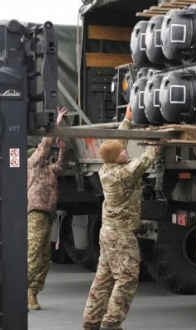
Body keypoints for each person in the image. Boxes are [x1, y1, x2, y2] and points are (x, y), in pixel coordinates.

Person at [82, 104, 159, 330]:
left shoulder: (107, 168)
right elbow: (147, 158)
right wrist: (156, 139)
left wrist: (126, 121)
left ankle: (91, 321)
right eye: (122, 153)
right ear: (117, 158)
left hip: (108, 234)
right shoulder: (124, 173)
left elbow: (119, 145)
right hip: (121, 237)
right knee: (126, 279)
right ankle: (111, 323)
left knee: (104, 279)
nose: (126, 152)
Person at [27, 107, 69, 310]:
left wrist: (63, 149)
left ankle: (33, 292)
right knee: (34, 253)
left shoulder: (48, 170)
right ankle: (24, 290)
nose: (43, 156)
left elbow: (61, 166)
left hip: (47, 215)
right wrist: (56, 125)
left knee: (44, 256)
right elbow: (43, 147)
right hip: (35, 212)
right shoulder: (32, 165)